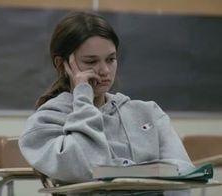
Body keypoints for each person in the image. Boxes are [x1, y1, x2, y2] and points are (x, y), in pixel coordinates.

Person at [19, 12, 193, 195]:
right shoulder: (45, 123)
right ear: (63, 65)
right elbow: (88, 167)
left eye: (111, 59)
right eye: (91, 61)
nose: (105, 70)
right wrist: (83, 97)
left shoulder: (148, 112)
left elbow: (183, 173)